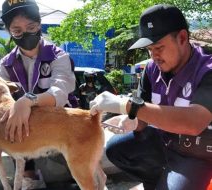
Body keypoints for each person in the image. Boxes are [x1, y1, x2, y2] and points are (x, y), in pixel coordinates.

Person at [90, 4, 212, 190]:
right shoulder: (152, 69)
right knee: (117, 149)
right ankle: (154, 181)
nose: (154, 56)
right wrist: (129, 120)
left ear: (182, 38)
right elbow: (143, 116)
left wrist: (128, 106)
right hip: (163, 142)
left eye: (159, 47)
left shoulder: (207, 71)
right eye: (149, 49)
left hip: (197, 154)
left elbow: (194, 122)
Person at [0, 0, 76, 189]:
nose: (25, 34)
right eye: (17, 30)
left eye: (31, 26)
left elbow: (60, 92)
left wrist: (28, 100)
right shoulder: (6, 65)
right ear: (10, 32)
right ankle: (28, 176)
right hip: (25, 131)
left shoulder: (58, 56)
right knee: (9, 124)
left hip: (61, 126)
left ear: (39, 24)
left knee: (73, 173)